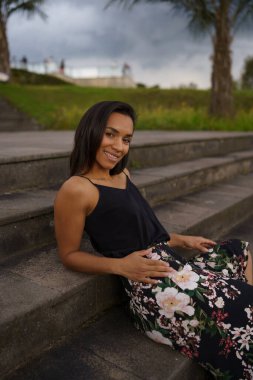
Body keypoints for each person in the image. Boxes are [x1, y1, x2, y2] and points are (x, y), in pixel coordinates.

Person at [54, 101, 253, 380]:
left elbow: (143, 230)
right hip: (154, 287)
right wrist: (120, 266)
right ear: (91, 130)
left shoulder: (123, 174)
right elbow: (69, 254)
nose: (118, 146)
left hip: (178, 268)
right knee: (245, 302)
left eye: (126, 139)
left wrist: (183, 240)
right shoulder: (77, 189)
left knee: (238, 250)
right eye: (110, 134)